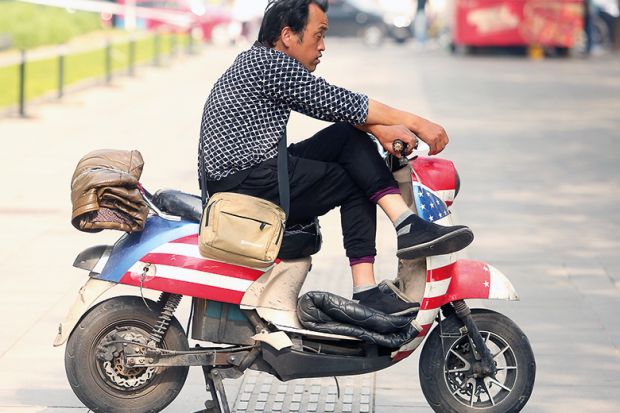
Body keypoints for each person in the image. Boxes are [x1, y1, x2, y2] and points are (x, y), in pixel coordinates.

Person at [198, 0, 473, 315]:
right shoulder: (271, 65)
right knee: (356, 178)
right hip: (248, 186)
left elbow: (331, 105)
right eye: (318, 35)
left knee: (345, 137)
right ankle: (368, 287)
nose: (322, 46)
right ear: (288, 35)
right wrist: (417, 122)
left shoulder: (258, 60)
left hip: (250, 174)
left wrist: (381, 131)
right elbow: (335, 100)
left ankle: (406, 224)